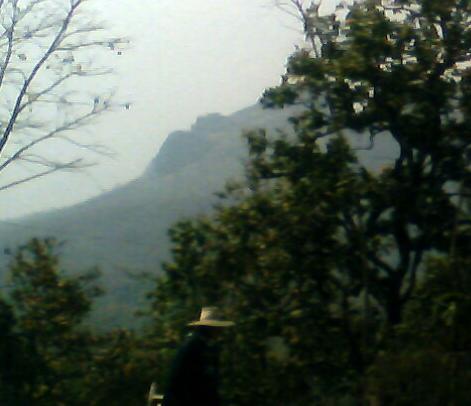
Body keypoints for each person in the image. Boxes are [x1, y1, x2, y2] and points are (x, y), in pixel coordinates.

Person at [162, 306, 234, 406]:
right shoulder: (191, 346)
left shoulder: (211, 348)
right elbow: (178, 381)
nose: (220, 330)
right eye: (217, 327)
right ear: (208, 328)